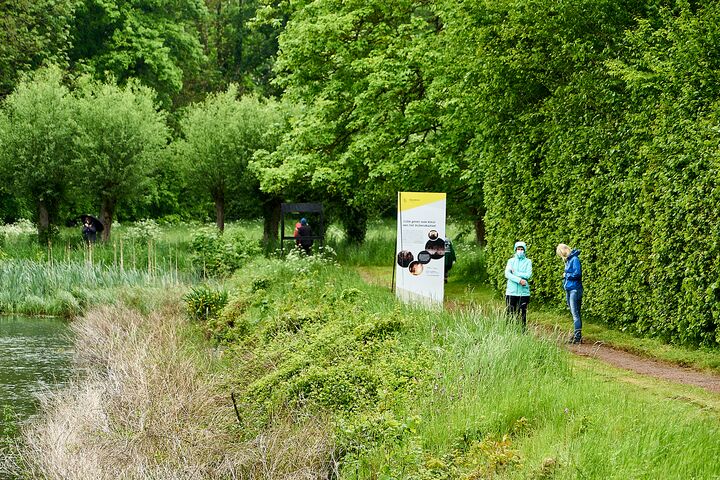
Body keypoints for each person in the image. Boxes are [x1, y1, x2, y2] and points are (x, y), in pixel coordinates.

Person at [557, 243, 583, 344]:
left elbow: (577, 274)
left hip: (574, 289)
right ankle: (577, 335)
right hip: (569, 289)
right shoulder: (569, 260)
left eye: (562, 254)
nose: (563, 257)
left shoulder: (574, 259)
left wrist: (566, 275)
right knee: (575, 312)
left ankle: (577, 337)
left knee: (575, 313)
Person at [505, 241, 532, 330]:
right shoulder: (510, 261)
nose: (520, 251)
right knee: (510, 313)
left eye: (521, 249)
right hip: (511, 292)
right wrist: (519, 280)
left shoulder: (528, 262)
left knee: (522, 314)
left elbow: (528, 275)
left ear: (524, 250)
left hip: (523, 292)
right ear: (515, 250)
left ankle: (523, 332)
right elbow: (507, 274)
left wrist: (515, 273)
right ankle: (510, 331)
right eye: (518, 249)